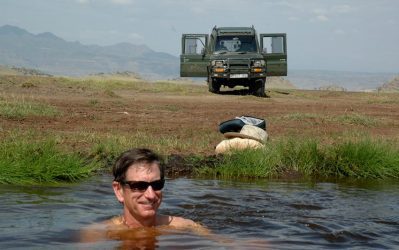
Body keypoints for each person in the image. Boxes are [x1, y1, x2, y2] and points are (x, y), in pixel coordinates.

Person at [80, 148, 208, 244]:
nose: (151, 195)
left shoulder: (187, 227)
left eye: (157, 184)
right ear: (119, 190)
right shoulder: (96, 234)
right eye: (139, 186)